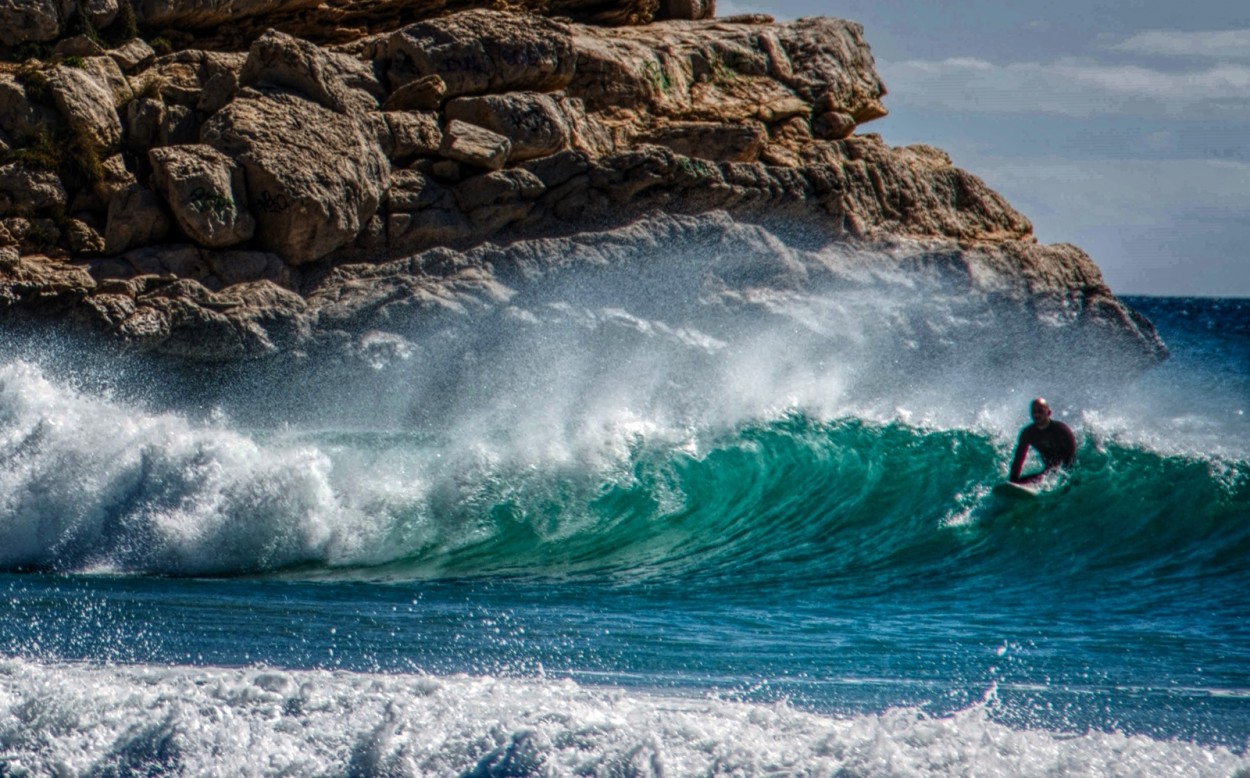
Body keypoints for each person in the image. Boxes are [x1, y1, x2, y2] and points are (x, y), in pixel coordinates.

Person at [1009, 397, 1076, 484]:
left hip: (1065, 470)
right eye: (1034, 411)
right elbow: (1018, 459)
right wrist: (1013, 482)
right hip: (1048, 472)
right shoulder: (1028, 433)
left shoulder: (1061, 430)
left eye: (1040, 411)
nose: (1036, 415)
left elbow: (1071, 459)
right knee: (1022, 480)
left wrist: (1067, 481)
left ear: (1048, 413)